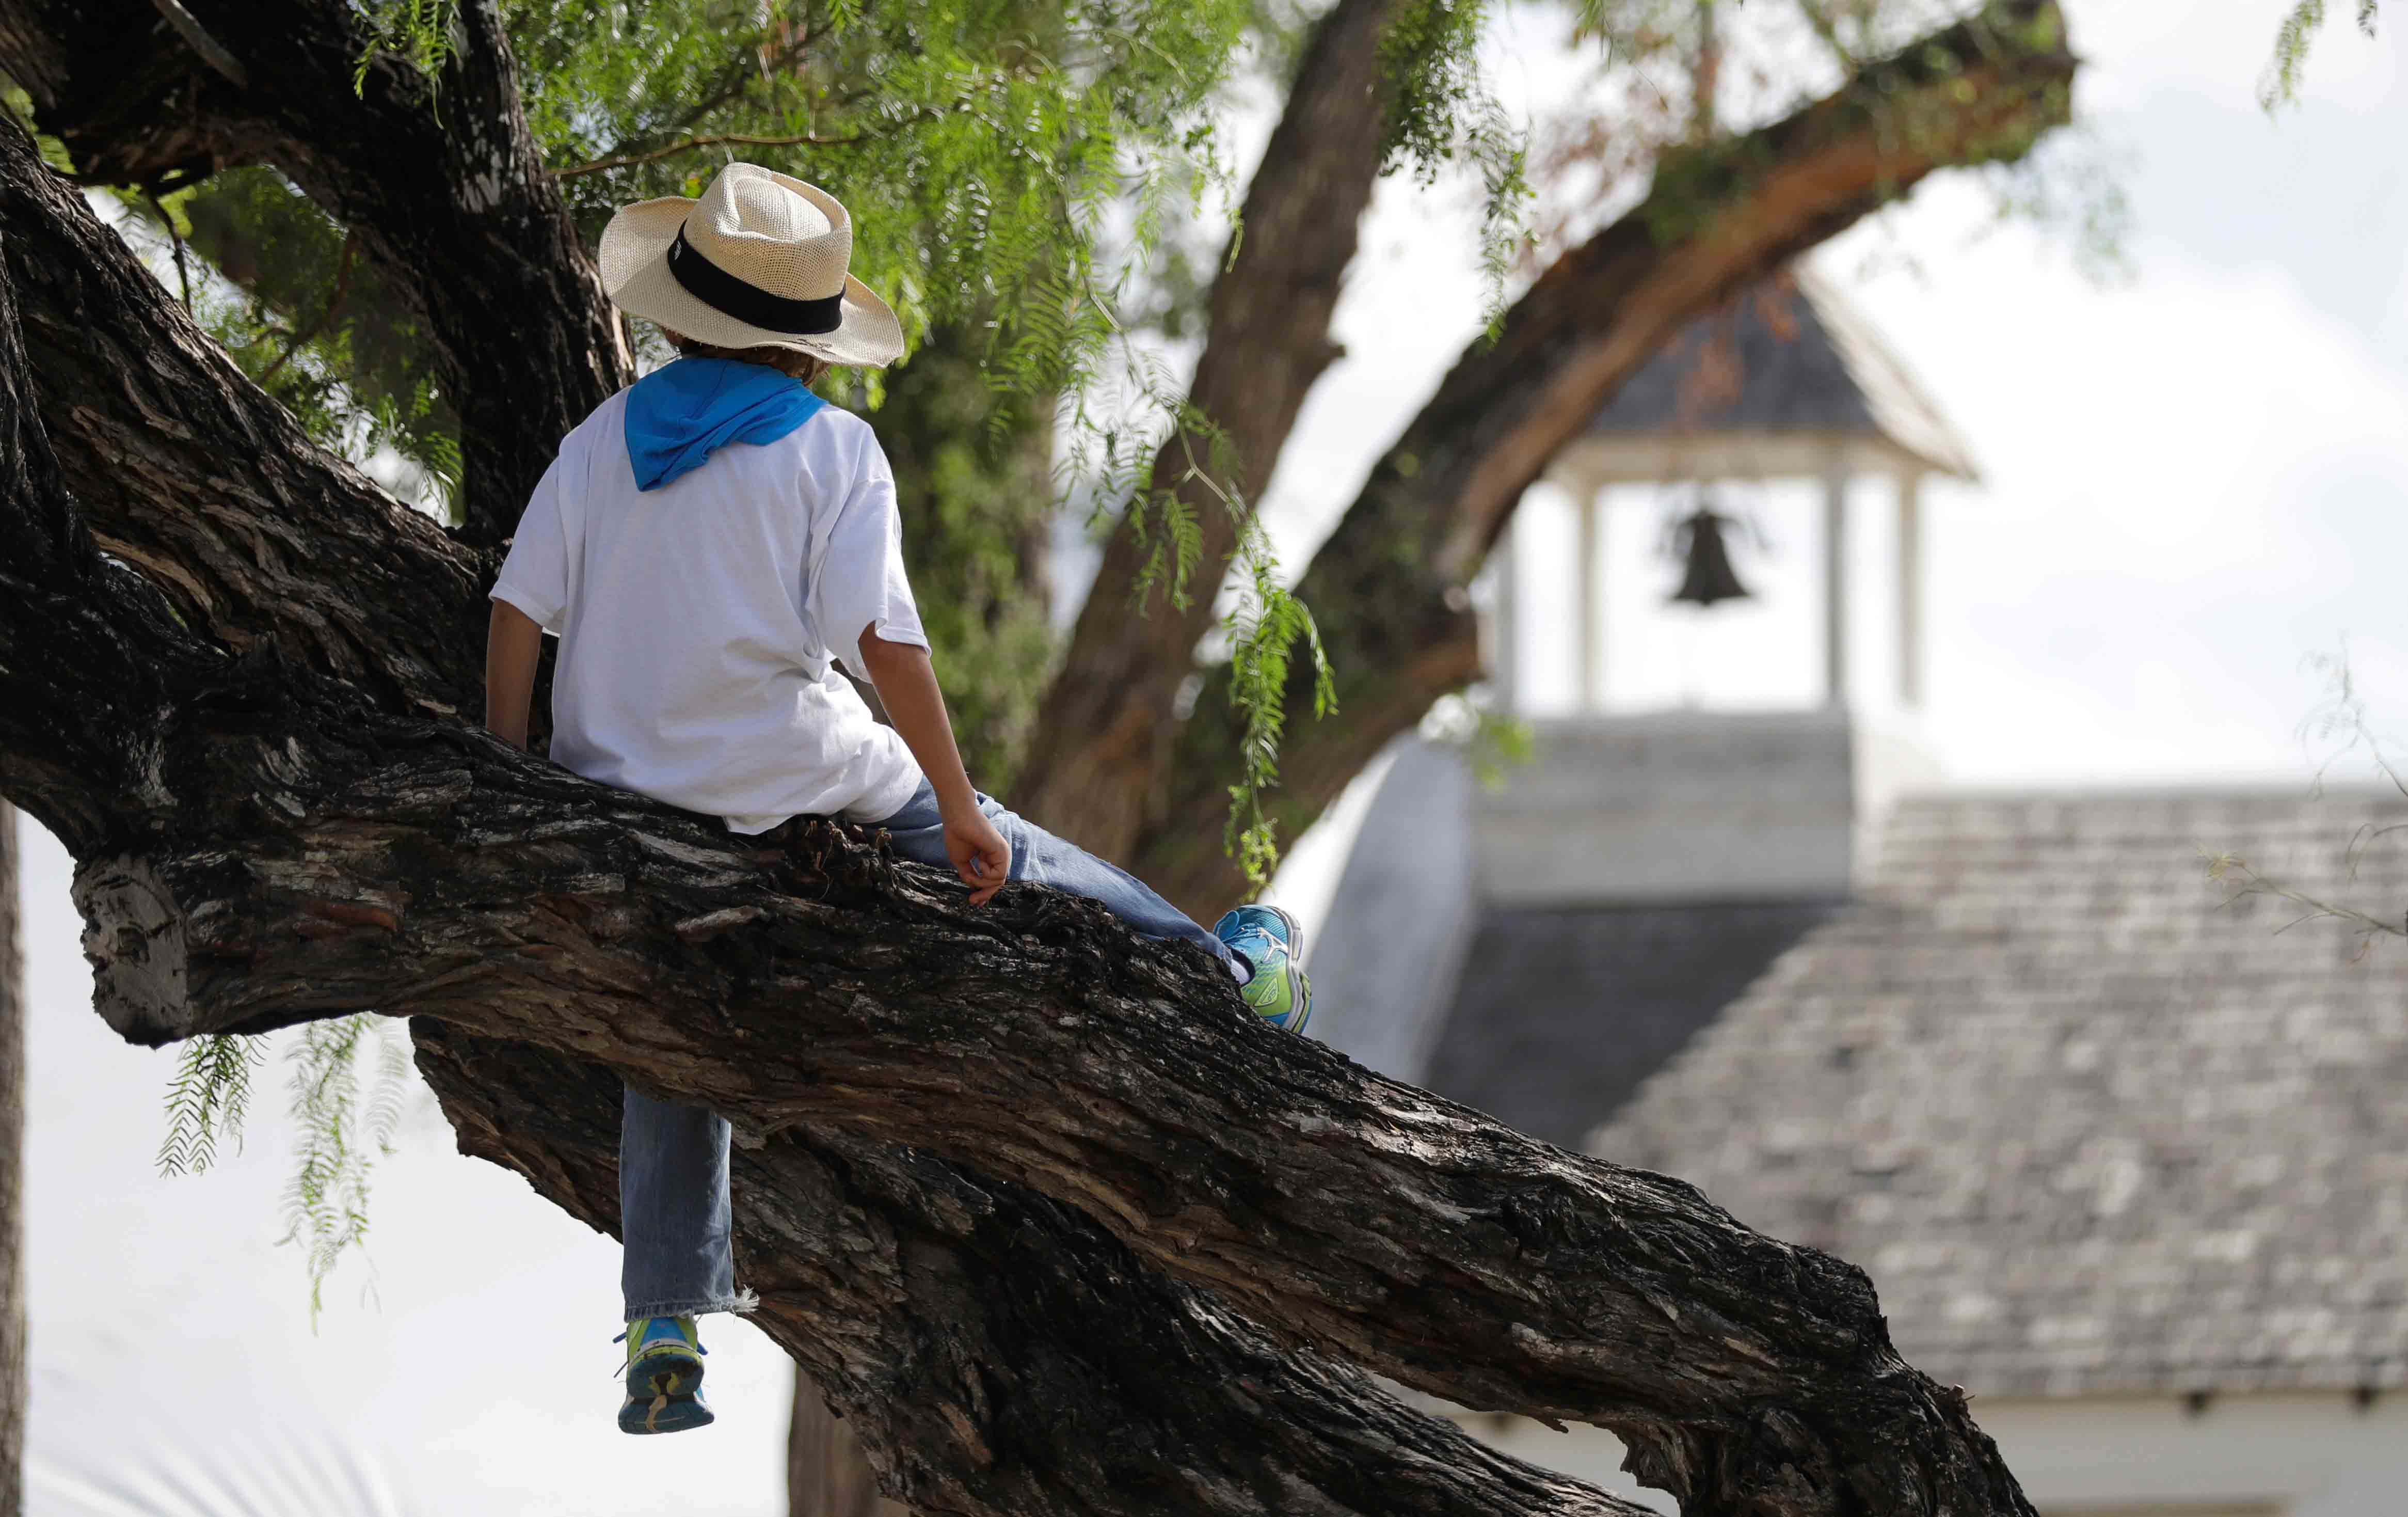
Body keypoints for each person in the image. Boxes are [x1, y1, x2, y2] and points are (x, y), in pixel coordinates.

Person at [481, 163, 1312, 1436]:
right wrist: (960, 801)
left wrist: (511, 768)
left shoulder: (598, 442)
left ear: (678, 315)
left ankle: (665, 1314)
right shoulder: (830, 449)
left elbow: (516, 612)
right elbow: (883, 642)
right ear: (807, 341)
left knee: (670, 1038)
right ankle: (1220, 966)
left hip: (623, 803)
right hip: (795, 788)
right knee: (1024, 853)